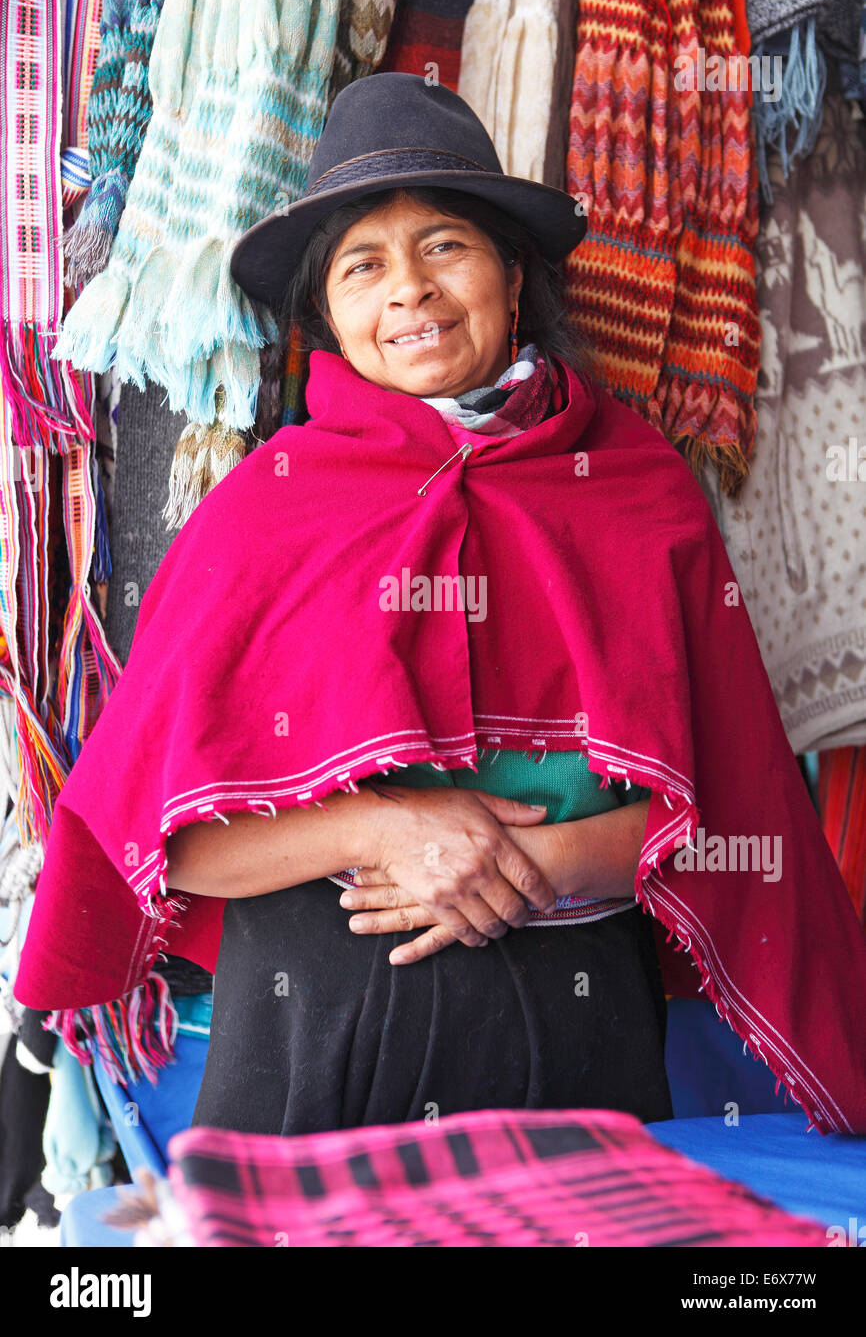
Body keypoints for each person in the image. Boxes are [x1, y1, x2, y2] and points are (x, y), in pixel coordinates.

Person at [16, 73, 866, 1140]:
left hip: (574, 1036)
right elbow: (162, 838)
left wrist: (531, 863)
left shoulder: (634, 489)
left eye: (443, 248)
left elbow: (726, 807)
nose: (408, 291)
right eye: (364, 266)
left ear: (513, 279)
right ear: (329, 316)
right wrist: (386, 824)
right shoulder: (264, 513)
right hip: (309, 1042)